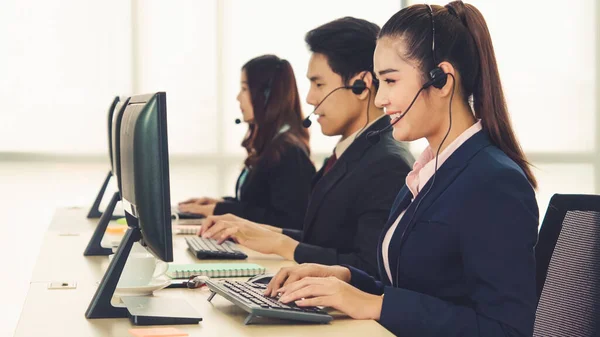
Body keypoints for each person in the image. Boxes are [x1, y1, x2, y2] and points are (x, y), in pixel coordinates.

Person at [264, 2, 539, 337]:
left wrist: (376, 306)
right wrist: (345, 278)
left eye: (390, 81)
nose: (379, 99)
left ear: (441, 81)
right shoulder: (429, 171)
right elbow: (417, 287)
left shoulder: (494, 181)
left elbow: (507, 329)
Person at [199, 17, 415, 276]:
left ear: (361, 85)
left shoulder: (387, 164)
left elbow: (370, 268)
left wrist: (282, 244)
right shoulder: (354, 152)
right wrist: (259, 231)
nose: (310, 98)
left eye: (319, 84)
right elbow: (325, 240)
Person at [179, 55, 315, 230]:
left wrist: (218, 209)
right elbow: (258, 204)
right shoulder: (271, 146)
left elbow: (288, 220)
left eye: (244, 89)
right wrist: (218, 203)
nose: (238, 97)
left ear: (266, 96)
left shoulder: (289, 152)